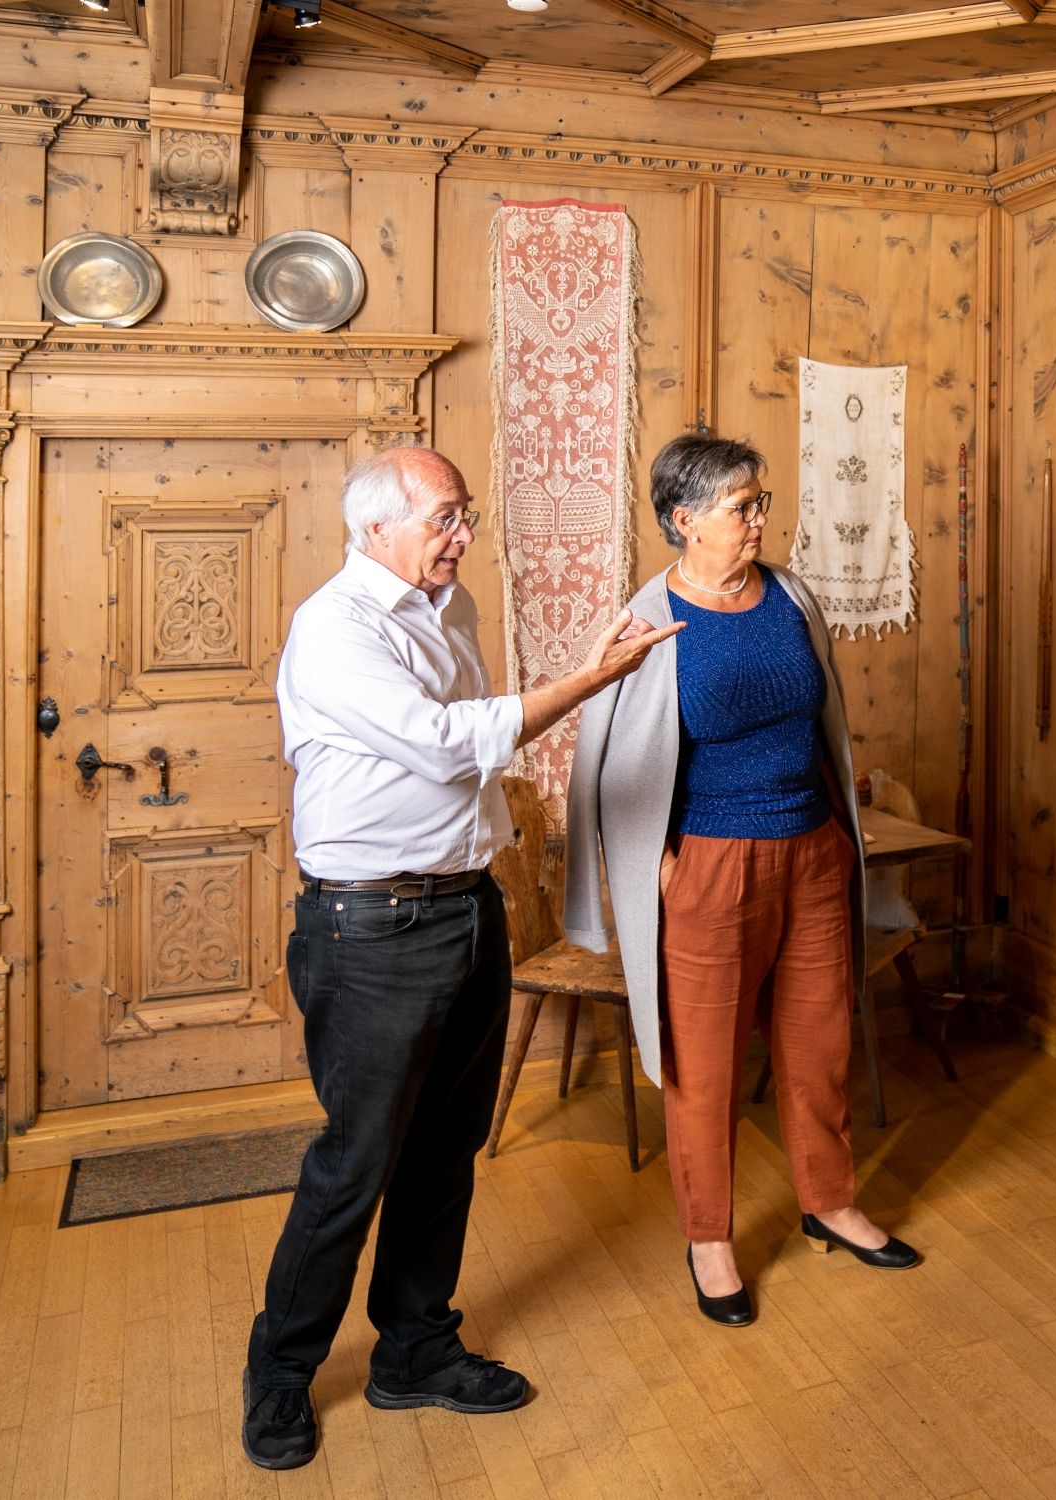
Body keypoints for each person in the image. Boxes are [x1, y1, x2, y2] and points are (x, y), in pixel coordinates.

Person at [242, 446, 680, 1470]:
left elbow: (470, 752)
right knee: (356, 1163)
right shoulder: (335, 629)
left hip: (463, 911)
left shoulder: (453, 610)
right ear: (377, 527)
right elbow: (447, 743)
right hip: (369, 929)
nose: (461, 534)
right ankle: (279, 1373)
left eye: (465, 515)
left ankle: (415, 1352)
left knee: (443, 1150)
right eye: (444, 517)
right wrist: (591, 678)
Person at [565, 433, 919, 1329]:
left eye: (761, 502)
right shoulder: (648, 621)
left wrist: (837, 832)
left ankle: (829, 1201)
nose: (761, 518)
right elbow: (607, 761)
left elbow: (823, 717)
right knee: (705, 1064)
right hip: (711, 864)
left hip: (811, 852)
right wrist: (668, 862)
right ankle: (710, 1237)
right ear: (684, 521)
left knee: (818, 1041)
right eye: (741, 507)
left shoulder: (790, 597)